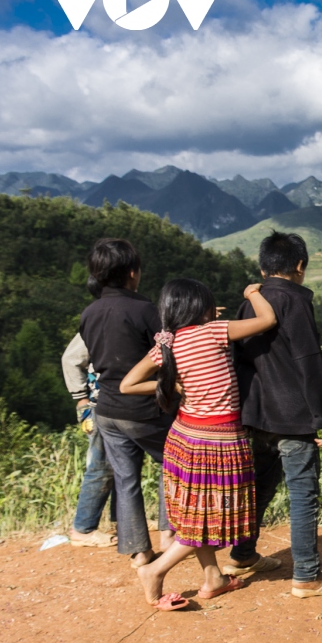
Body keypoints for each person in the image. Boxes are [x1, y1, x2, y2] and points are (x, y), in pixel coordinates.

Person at [120, 278, 276, 610]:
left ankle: (213, 578)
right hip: (217, 441)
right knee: (210, 518)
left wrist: (172, 385)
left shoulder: (168, 343)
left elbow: (127, 385)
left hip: (183, 437)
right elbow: (267, 320)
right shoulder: (214, 331)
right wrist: (252, 293)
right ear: (200, 308)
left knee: (197, 514)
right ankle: (155, 570)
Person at [227, 231, 322, 599]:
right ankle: (307, 575)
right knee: (303, 494)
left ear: (263, 267)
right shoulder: (295, 302)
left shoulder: (252, 300)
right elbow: (308, 363)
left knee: (260, 486)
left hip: (256, 415)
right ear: (299, 265)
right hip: (293, 417)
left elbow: (237, 359)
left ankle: (243, 554)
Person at [78, 239, 173, 568]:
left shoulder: (89, 313)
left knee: (125, 477)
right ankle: (169, 534)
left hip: (106, 409)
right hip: (144, 408)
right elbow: (165, 356)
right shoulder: (144, 309)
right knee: (172, 462)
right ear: (133, 273)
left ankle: (139, 550)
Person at [61, 333, 116, 547]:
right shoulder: (100, 319)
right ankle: (83, 528)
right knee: (102, 466)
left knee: (122, 465)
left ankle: (122, 521)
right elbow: (71, 359)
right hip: (97, 405)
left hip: (110, 404)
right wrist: (80, 398)